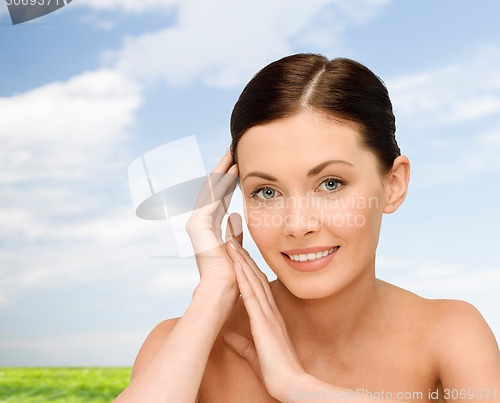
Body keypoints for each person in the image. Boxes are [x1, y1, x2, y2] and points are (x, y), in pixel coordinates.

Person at [115, 54, 500, 402]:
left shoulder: (449, 335)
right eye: (266, 192)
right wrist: (213, 294)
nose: (298, 225)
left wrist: (300, 388)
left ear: (393, 185)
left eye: (331, 184)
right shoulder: (181, 348)